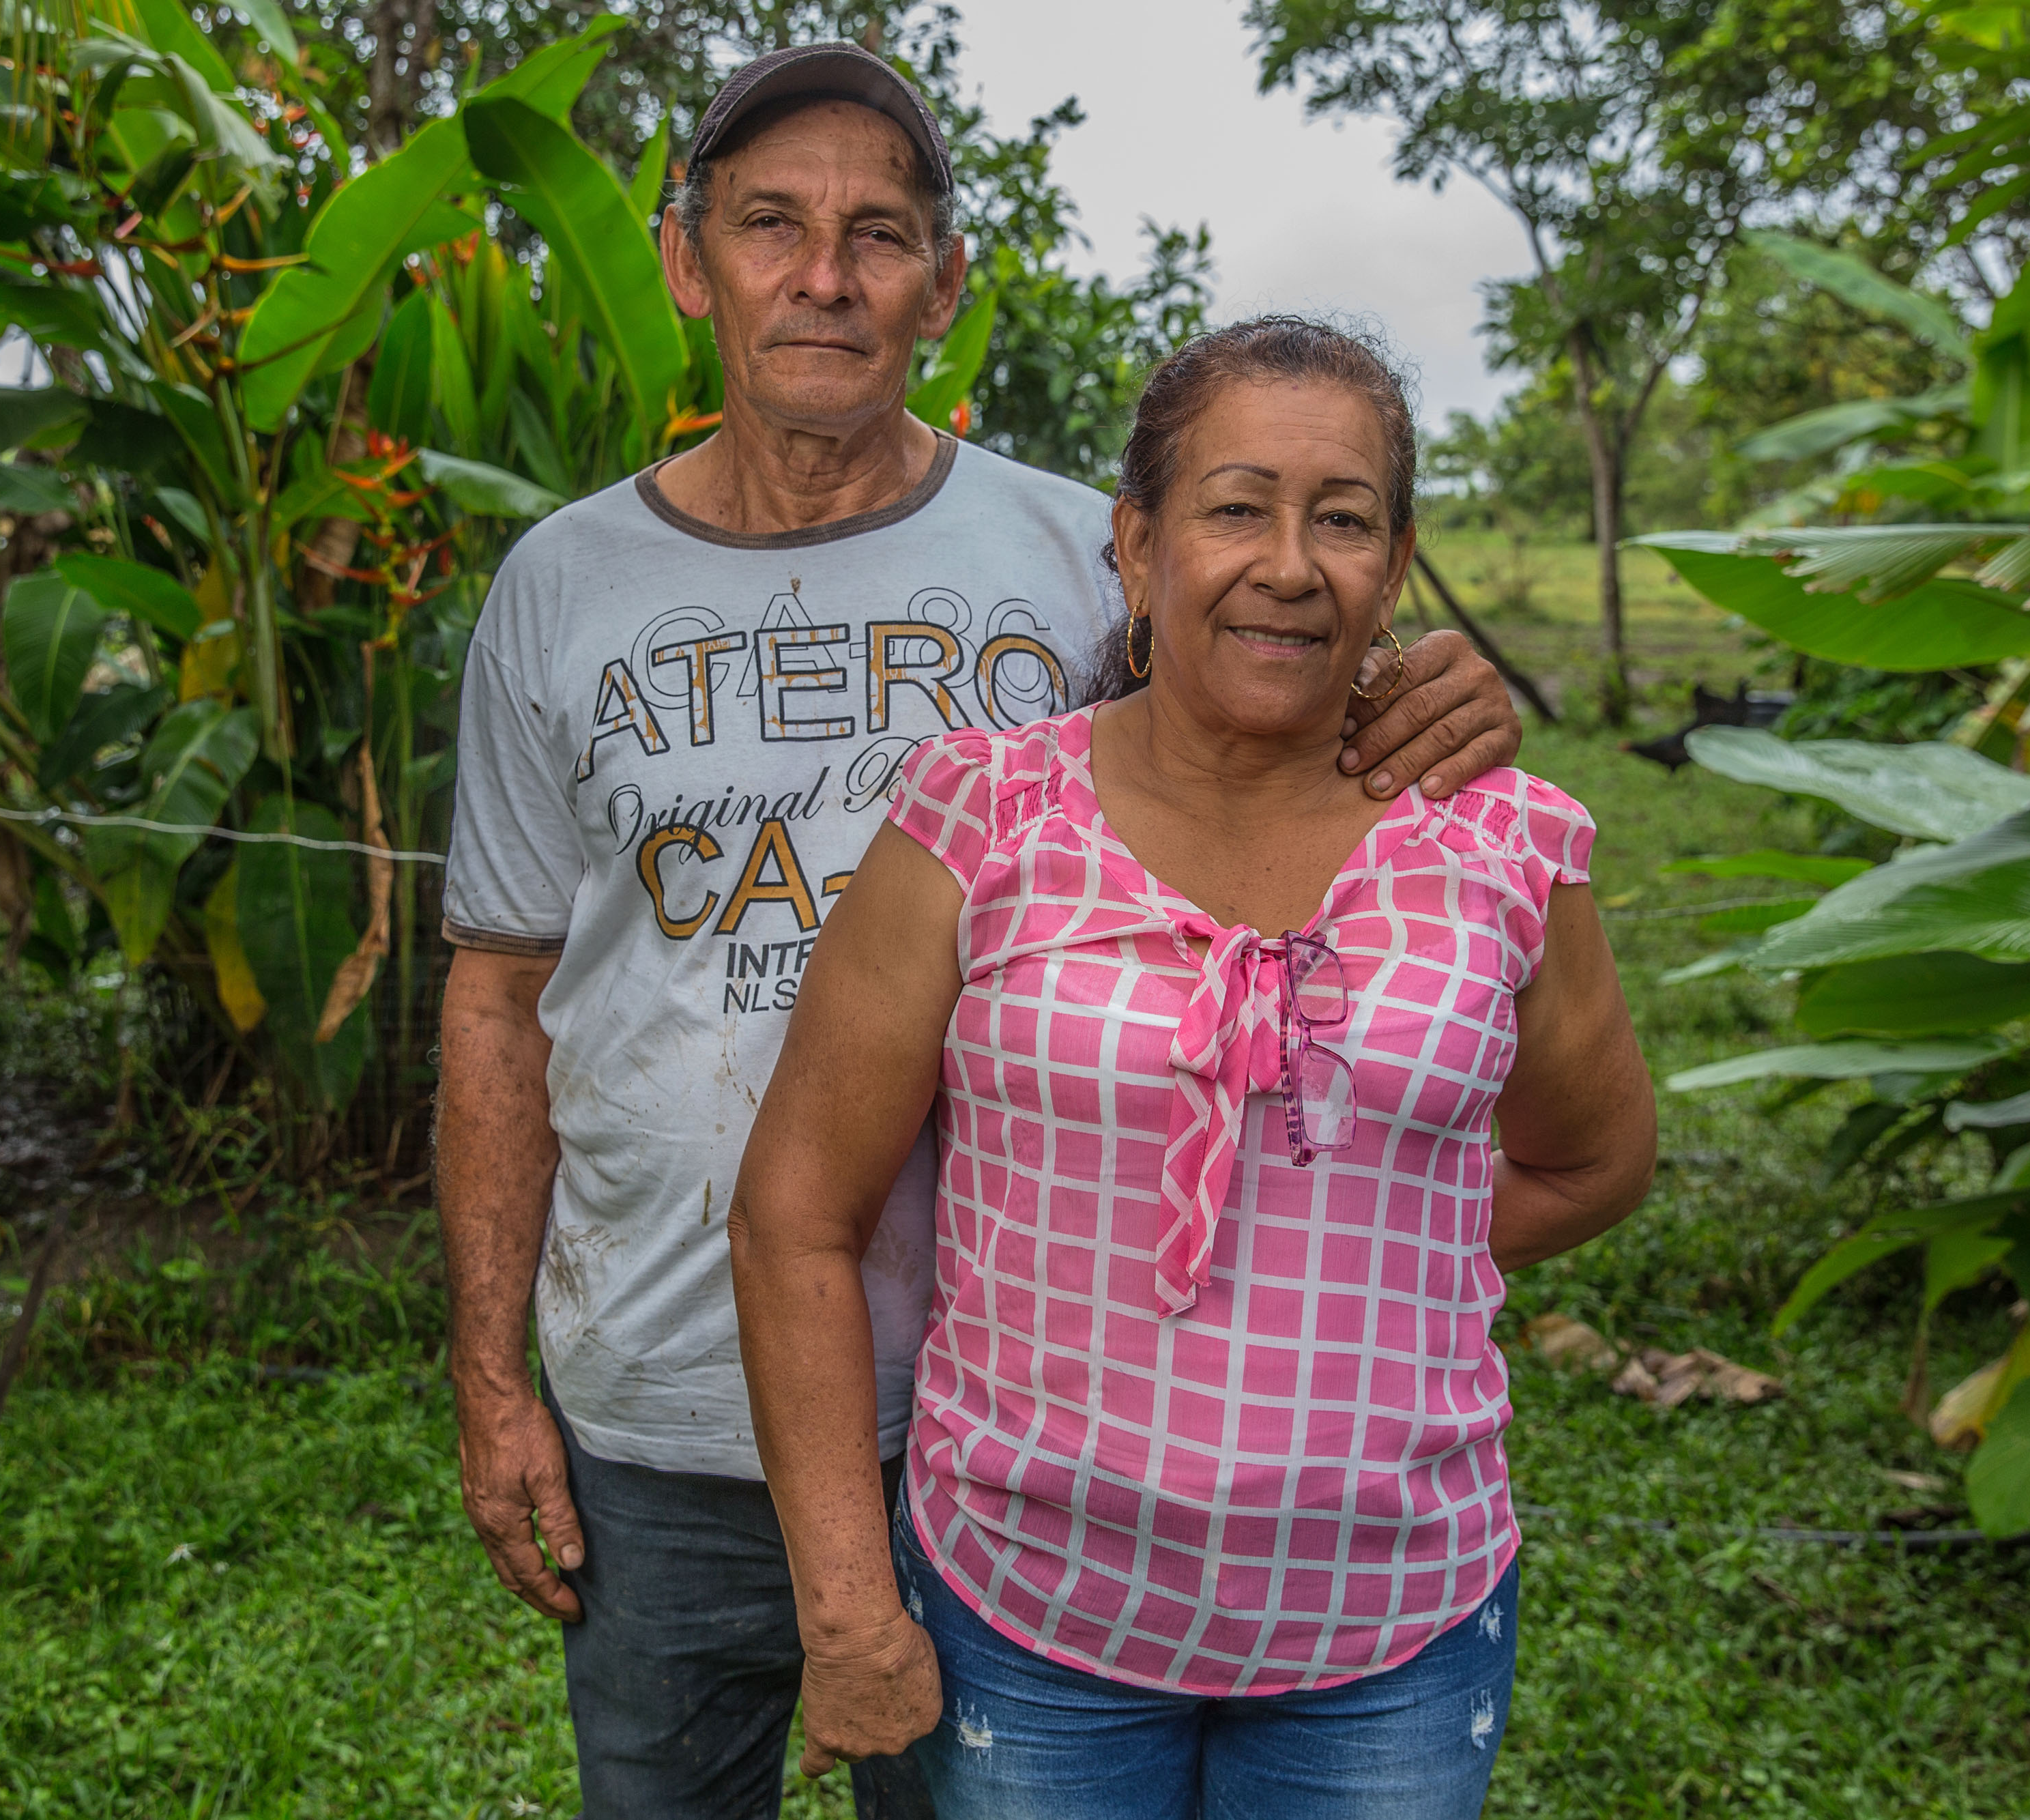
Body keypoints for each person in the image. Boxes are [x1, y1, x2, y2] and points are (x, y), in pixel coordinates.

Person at [433, 43, 1530, 1820]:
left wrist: (1433, 700)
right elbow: (498, 996)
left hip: (1005, 1433)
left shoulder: (1069, 548)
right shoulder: (559, 587)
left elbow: (1281, 711)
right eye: (769, 225)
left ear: (944, 281)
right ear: (683, 260)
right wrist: (493, 1382)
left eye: (878, 234)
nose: (824, 276)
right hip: (654, 1407)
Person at [728, 317, 1657, 1818]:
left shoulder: (1499, 843)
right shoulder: (981, 814)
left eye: (1341, 518)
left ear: (1395, 562)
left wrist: (1355, 1230)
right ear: (1136, 539)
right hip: (1027, 1618)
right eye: (1235, 505)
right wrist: (845, 1607)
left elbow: (1590, 1159)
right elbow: (794, 1215)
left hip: (1390, 1632)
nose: (1288, 563)